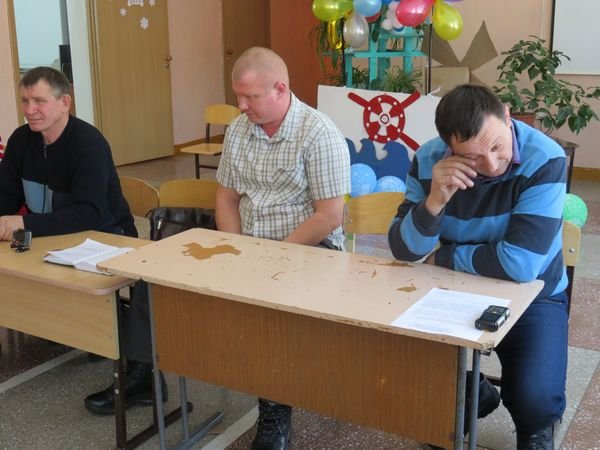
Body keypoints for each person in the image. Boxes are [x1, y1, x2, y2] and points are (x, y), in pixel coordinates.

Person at [388, 84, 568, 449]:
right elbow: (405, 251)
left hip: (533, 294)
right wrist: (434, 201)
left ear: (507, 115)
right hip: (455, 289)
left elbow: (520, 265)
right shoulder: (428, 159)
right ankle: (475, 394)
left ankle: (535, 427)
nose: (491, 164)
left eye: (497, 146)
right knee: (407, 372)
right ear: (449, 148)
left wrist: (445, 256)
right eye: (471, 157)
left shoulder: (545, 158)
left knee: (535, 399)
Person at [0, 66, 163, 416]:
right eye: (25, 101)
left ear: (65, 103)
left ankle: (144, 376)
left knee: (91, 293)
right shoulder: (21, 140)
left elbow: (88, 213)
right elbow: (6, 197)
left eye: (39, 101)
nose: (30, 110)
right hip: (52, 236)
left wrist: (23, 222)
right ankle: (79, 331)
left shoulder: (87, 143)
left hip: (106, 236)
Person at [215, 47, 351, 450]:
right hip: (252, 245)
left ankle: (275, 411)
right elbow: (226, 198)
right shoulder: (239, 130)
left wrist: (272, 257)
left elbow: (329, 216)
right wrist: (237, 250)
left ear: (280, 89)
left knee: (270, 317)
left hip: (310, 247)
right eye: (238, 96)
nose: (242, 106)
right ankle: (272, 394)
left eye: (251, 97)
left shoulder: (318, 133)